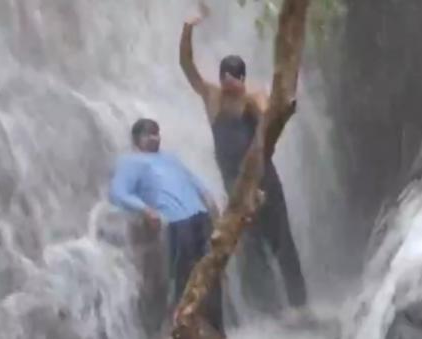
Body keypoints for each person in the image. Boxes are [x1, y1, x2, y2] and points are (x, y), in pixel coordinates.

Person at [179, 3, 310, 322]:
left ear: (242, 78)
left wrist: (262, 101)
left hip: (263, 180)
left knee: (282, 241)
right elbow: (186, 65)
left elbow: (272, 112)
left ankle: (301, 308)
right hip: (233, 184)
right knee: (250, 248)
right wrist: (187, 29)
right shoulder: (211, 96)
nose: (228, 87)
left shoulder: (252, 97)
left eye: (233, 81)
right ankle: (272, 315)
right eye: (224, 80)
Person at [108, 118, 224, 334]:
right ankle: (182, 331)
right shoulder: (131, 162)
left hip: (200, 216)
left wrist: (209, 199)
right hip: (176, 223)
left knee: (212, 275)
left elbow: (193, 179)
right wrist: (145, 209)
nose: (155, 137)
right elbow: (117, 192)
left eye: (157, 133)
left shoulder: (170, 158)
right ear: (136, 139)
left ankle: (218, 330)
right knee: (184, 279)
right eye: (148, 134)